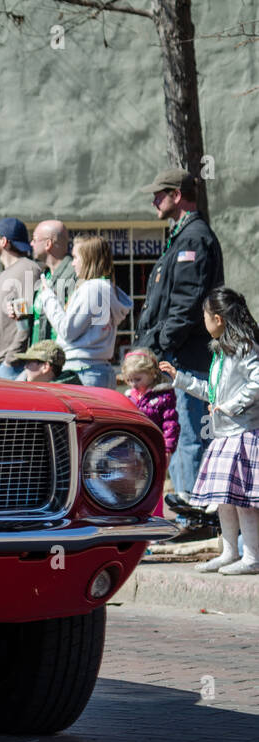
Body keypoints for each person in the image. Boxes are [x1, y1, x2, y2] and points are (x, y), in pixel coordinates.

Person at [136, 167, 226, 503]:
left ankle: (197, 511)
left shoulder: (193, 238)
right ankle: (192, 509)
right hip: (176, 356)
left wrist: (160, 346)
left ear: (177, 196)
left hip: (186, 357)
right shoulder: (182, 236)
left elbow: (187, 303)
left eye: (159, 194)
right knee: (179, 435)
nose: (153, 200)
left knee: (191, 436)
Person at [158, 287, 259, 574]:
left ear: (218, 318)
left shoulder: (246, 347)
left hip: (243, 433)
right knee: (224, 501)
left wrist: (231, 407)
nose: (203, 321)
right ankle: (229, 552)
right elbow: (212, 392)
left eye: (204, 316)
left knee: (244, 502)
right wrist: (182, 380)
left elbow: (257, 382)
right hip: (223, 436)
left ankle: (252, 556)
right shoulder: (222, 353)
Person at [33, 234, 129, 388]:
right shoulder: (104, 287)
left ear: (88, 260)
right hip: (96, 370)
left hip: (84, 373)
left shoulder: (92, 289)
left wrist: (48, 296)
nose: (73, 263)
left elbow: (67, 330)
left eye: (76, 257)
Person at [0, 219, 42, 379]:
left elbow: (26, 319)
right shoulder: (3, 275)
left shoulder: (28, 269)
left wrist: (11, 360)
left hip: (12, 367)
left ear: (4, 241)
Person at [122, 348, 179, 458]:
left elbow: (170, 424)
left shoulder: (163, 396)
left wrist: (167, 449)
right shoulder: (129, 397)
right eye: (129, 380)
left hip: (154, 447)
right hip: (132, 447)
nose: (133, 384)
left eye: (138, 379)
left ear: (152, 373)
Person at [26, 220, 75, 345]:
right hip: (39, 357)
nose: (31, 243)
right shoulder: (44, 275)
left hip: (61, 358)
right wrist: (21, 314)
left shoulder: (74, 275)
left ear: (48, 244)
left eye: (35, 239)